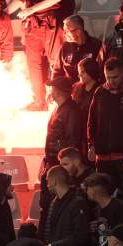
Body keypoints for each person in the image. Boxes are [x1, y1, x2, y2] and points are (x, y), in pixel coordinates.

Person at [7, 0, 73, 110]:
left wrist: (31, 9)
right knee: (33, 63)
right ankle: (39, 101)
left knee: (56, 62)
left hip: (51, 22)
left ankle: (61, 99)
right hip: (32, 25)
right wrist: (4, 13)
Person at [39, 166, 89, 246]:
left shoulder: (78, 202)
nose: (47, 185)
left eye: (48, 181)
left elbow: (81, 235)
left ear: (54, 181)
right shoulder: (54, 202)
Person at [39, 76, 84, 218]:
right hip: (52, 162)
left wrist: (62, 164)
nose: (50, 91)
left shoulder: (71, 111)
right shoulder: (59, 109)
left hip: (60, 166)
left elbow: (72, 141)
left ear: (57, 91)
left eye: (52, 88)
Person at [51, 15, 102, 83]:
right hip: (67, 89)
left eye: (67, 31)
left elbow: (101, 72)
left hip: (87, 89)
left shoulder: (96, 45)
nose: (64, 34)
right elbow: (57, 71)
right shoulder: (65, 47)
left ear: (78, 32)